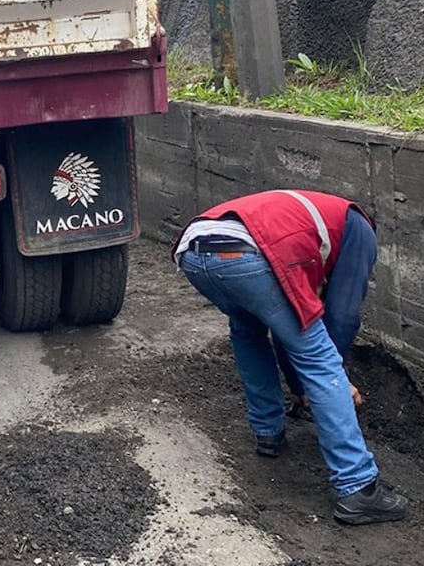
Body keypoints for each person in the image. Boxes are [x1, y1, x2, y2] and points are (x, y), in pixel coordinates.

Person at [172, 189, 408, 526]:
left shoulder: (311, 217)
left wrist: (300, 387)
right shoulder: (359, 228)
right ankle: (359, 488)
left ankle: (268, 433)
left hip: (197, 250)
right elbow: (341, 318)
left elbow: (288, 318)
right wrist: (328, 381)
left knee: (248, 331)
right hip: (248, 253)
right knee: (318, 356)